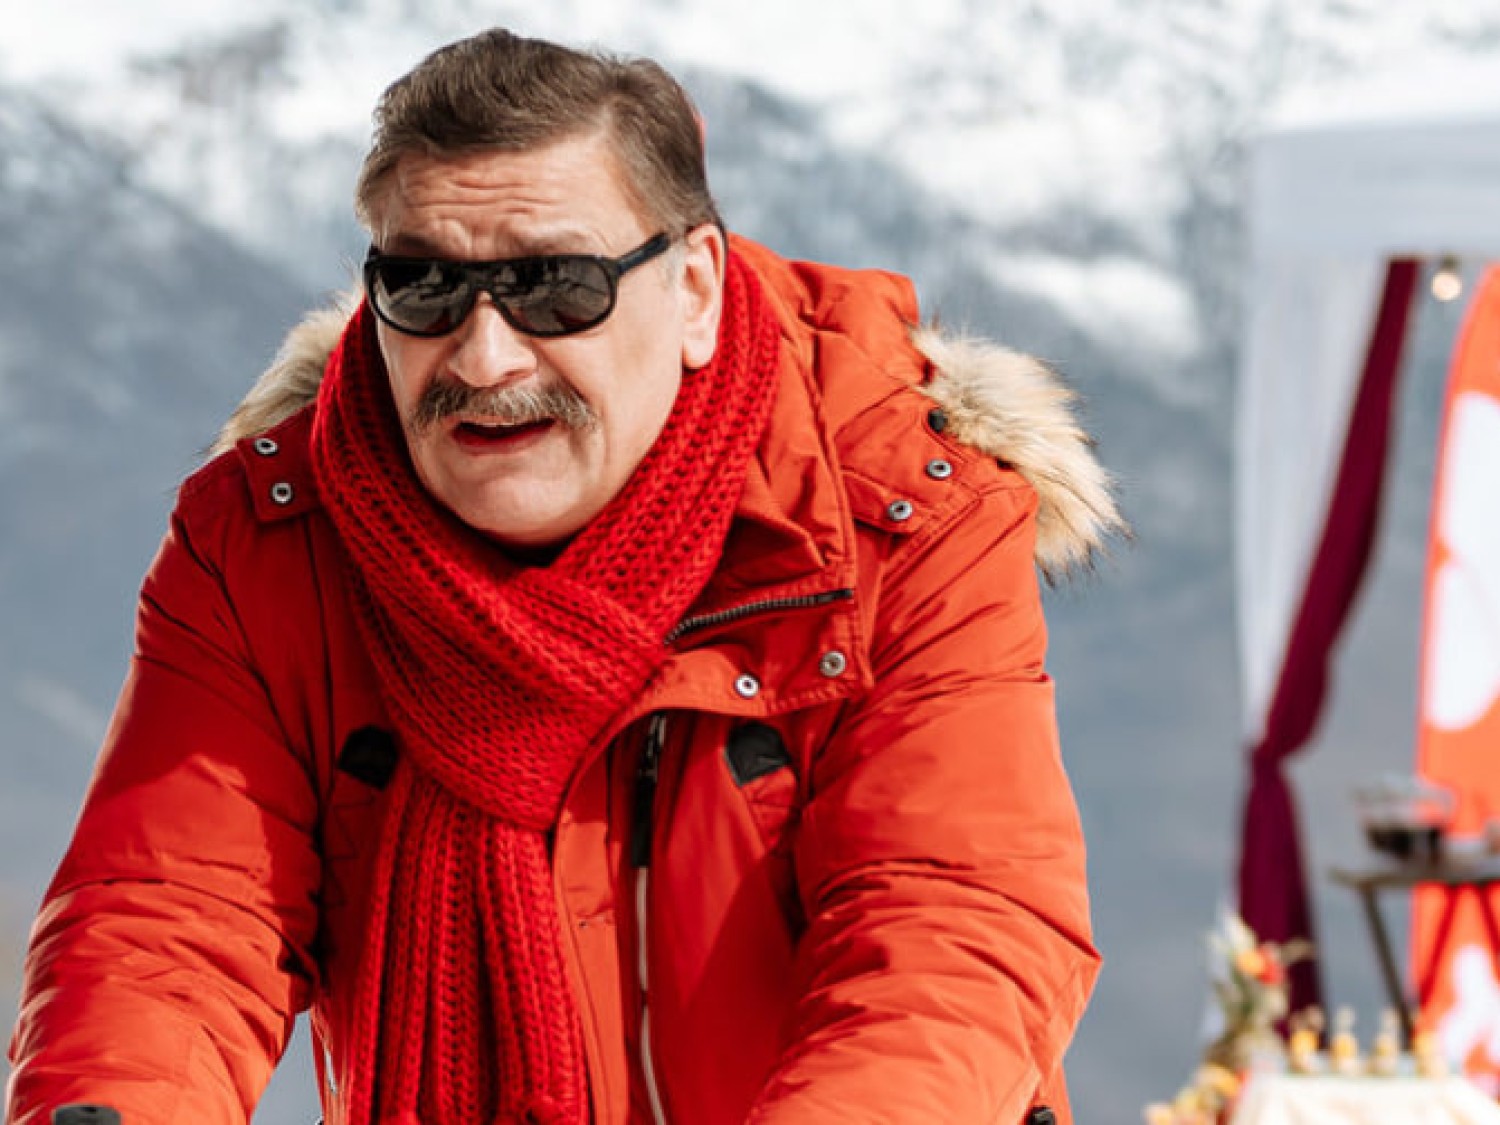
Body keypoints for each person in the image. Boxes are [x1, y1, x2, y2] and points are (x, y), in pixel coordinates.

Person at [6, 27, 1120, 1125]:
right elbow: (167, 925)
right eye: (425, 286)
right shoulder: (269, 539)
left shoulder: (901, 518)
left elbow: (953, 931)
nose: (484, 356)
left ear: (694, 290)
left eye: (555, 288)